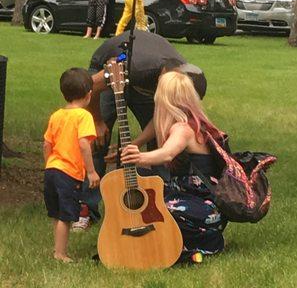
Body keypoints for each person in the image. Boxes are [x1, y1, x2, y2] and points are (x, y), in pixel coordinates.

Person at [71, 30, 207, 230]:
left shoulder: (183, 77)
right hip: (110, 72)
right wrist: (97, 121)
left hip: (145, 83)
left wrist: (135, 144)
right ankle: (86, 210)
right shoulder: (133, 65)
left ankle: (162, 207)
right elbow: (90, 87)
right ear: (163, 82)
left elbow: (161, 122)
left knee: (163, 139)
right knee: (96, 141)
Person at [121, 71, 228, 262]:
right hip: (197, 199)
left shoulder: (183, 129)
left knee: (159, 210)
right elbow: (156, 130)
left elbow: (167, 153)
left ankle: (202, 243)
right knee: (144, 180)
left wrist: (138, 156)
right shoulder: (196, 123)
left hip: (206, 208)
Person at [43, 68, 100, 262]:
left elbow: (46, 144)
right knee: (66, 216)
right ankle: (60, 254)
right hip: (69, 173)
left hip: (52, 169)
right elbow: (84, 144)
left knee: (57, 213)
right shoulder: (84, 116)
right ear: (89, 95)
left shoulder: (56, 115)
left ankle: (57, 248)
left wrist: (49, 164)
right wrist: (91, 171)